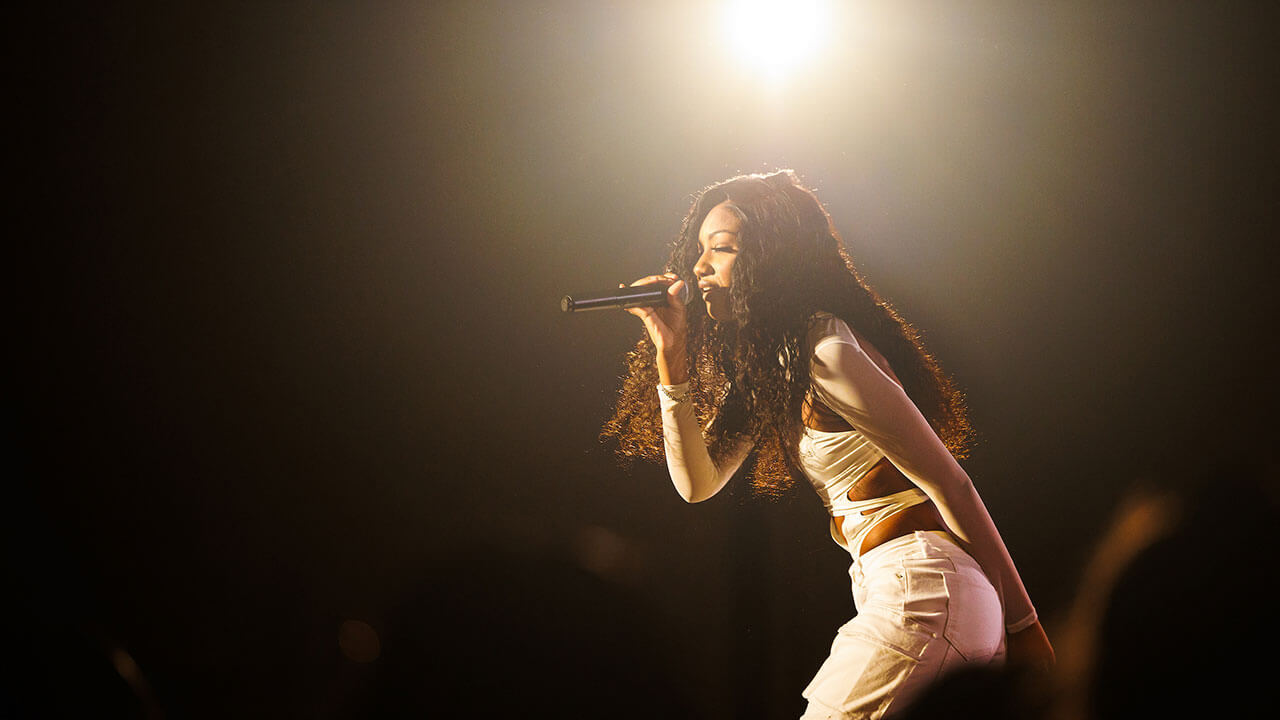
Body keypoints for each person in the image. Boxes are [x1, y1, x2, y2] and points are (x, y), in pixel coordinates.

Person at [602, 170, 1054, 719]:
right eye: (699, 249)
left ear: (770, 258)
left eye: (720, 249)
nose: (699, 267)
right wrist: (670, 357)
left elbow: (950, 481)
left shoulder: (827, 351)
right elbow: (698, 484)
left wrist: (1025, 626)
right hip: (918, 596)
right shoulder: (781, 363)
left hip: (924, 594)